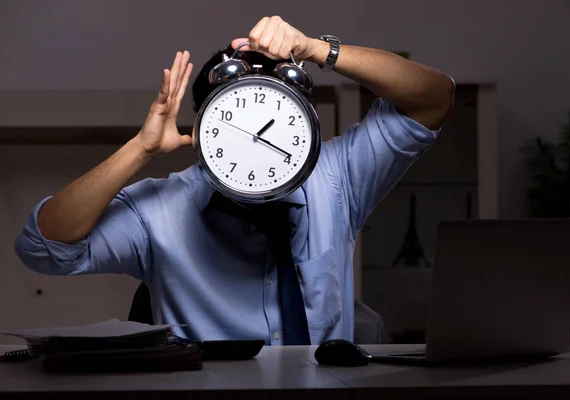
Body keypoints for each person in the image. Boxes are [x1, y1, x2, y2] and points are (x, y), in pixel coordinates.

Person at [14, 16, 455, 345]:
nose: (260, 129)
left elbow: (435, 99)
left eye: (275, 115)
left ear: (300, 121)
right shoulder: (161, 211)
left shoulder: (336, 178)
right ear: (206, 127)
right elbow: (43, 247)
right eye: (238, 117)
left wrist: (317, 50)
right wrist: (140, 149)